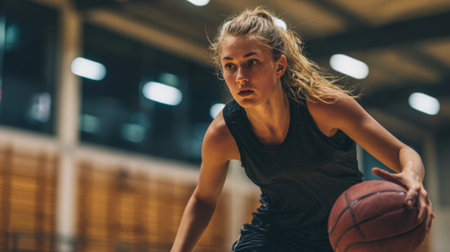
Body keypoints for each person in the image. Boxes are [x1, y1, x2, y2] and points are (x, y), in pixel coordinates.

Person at [171, 7, 434, 252]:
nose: (240, 76)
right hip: (274, 235)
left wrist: (412, 175)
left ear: (279, 66)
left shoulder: (325, 106)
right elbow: (203, 199)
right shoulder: (223, 133)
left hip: (342, 231)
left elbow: (402, 151)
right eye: (230, 65)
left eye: (251, 62)